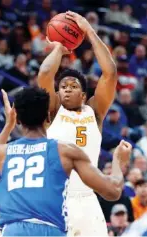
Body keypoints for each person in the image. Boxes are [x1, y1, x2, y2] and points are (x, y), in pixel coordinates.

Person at [0, 87, 132, 236]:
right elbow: (113, 191)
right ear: (48, 117)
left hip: (13, 231)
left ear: (18, 119)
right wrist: (118, 161)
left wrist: (9, 125)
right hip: (49, 230)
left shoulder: (4, 151)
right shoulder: (65, 151)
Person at [38, 11, 117, 236]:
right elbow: (45, 73)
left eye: (73, 86)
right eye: (63, 86)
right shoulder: (52, 112)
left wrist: (89, 31)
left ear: (84, 95)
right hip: (56, 198)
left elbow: (110, 73)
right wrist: (58, 49)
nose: (67, 89)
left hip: (87, 199)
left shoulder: (95, 112)